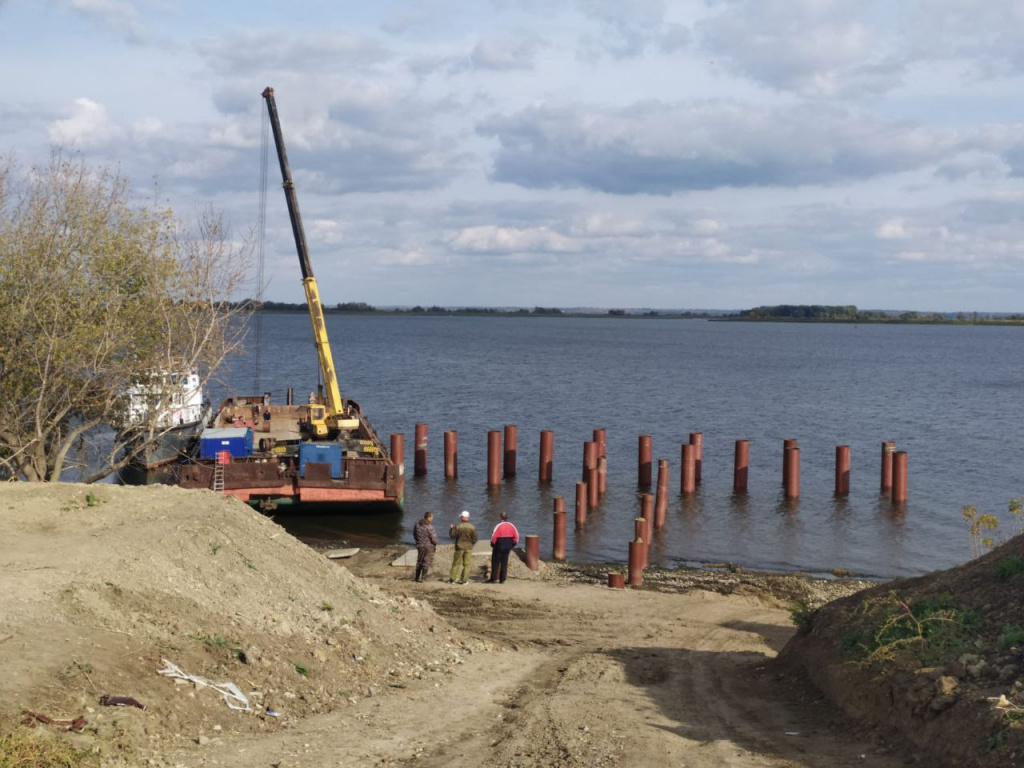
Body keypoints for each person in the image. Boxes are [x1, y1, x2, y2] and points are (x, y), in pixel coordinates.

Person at [488, 512, 520, 584]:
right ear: (507, 517)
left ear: (500, 517)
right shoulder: (512, 525)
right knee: (504, 563)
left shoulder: (498, 526)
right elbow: (517, 537)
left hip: (499, 545)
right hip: (507, 546)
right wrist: (512, 545)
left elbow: (493, 537)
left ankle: (494, 579)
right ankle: (503, 579)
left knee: (495, 562)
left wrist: (493, 545)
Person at [448, 510, 477, 584]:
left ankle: (452, 579)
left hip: (459, 547)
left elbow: (452, 536)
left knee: (456, 563)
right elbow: (475, 538)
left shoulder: (458, 526)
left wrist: (451, 529)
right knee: (467, 564)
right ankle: (464, 580)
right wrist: (471, 544)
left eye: (461, 516)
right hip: (468, 547)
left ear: (462, 517)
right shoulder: (472, 527)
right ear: (468, 518)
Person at [412, 511, 438, 582]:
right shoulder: (429, 527)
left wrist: (418, 541)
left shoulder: (417, 524)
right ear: (428, 517)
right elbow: (434, 539)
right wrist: (435, 543)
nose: (433, 518)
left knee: (419, 561)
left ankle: (416, 577)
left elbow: (414, 534)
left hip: (420, 545)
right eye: (432, 517)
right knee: (426, 561)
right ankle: (423, 577)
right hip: (428, 546)